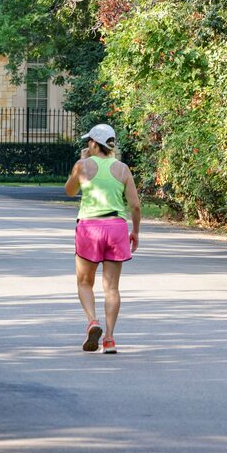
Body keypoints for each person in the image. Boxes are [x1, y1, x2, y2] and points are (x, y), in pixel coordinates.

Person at [64, 124, 141, 354]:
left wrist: (79, 164)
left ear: (94, 144)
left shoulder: (83, 166)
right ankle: (109, 339)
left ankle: (92, 322)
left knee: (85, 282)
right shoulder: (123, 169)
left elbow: (69, 191)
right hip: (116, 228)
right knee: (112, 288)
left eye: (89, 141)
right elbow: (135, 206)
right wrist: (135, 231)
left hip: (89, 228)